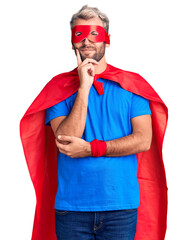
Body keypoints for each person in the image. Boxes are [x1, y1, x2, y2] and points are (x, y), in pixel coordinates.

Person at [20, 4, 168, 240]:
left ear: (107, 40)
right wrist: (84, 87)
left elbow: (143, 140)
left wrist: (91, 148)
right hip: (72, 209)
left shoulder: (132, 87)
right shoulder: (59, 88)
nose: (86, 40)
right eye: (79, 34)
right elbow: (65, 141)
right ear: (72, 42)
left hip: (120, 206)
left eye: (94, 34)